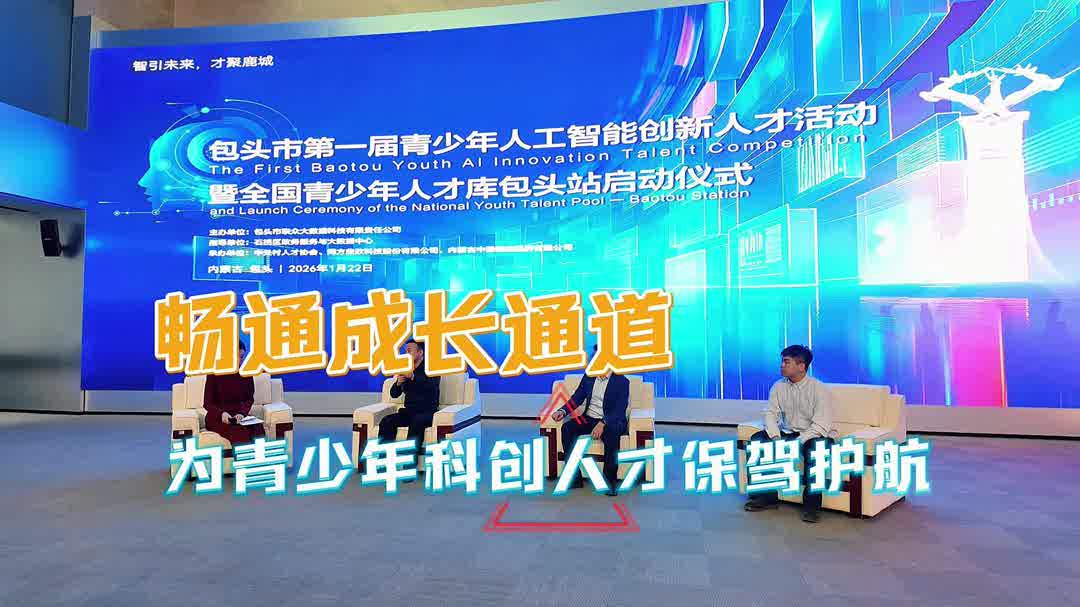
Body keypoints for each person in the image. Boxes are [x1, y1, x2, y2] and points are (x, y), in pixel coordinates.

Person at [744, 344, 838, 523]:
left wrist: (797, 443)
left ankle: (811, 507)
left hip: (814, 435)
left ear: (801, 366)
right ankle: (765, 497)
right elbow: (770, 414)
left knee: (818, 449)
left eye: (786, 362)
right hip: (788, 432)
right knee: (757, 441)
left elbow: (820, 425)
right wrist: (776, 437)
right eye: (782, 361)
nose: (782, 365)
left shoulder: (819, 389)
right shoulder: (779, 386)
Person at [551, 347, 630, 496]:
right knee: (567, 428)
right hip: (589, 418)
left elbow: (620, 409)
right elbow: (577, 397)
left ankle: (609, 482)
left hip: (611, 421)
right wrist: (563, 411)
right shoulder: (589, 376)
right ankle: (575, 478)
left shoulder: (621, 381)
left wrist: (603, 423)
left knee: (612, 434)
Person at [379, 339, 440, 472]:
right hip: (409, 411)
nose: (406, 354)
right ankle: (384, 461)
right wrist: (398, 383)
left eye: (409, 351)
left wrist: (412, 377)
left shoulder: (431, 368)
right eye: (405, 351)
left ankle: (409, 466)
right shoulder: (406, 369)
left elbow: (430, 387)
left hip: (427, 412)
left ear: (420, 352)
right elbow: (394, 394)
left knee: (417, 422)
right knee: (387, 421)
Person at [203, 341, 265, 446]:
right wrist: (222, 413)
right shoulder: (214, 373)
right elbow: (207, 403)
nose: (240, 361)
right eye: (237, 357)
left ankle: (261, 455)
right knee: (239, 433)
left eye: (242, 357)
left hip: (238, 416)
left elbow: (249, 399)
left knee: (258, 429)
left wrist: (241, 413)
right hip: (217, 416)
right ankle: (242, 456)